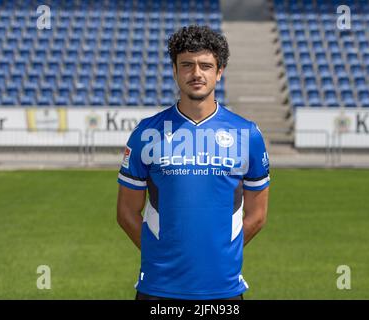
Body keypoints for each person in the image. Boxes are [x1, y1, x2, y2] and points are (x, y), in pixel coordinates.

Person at [116, 25, 270, 300]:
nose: (196, 73)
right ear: (175, 71)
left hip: (223, 290)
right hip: (158, 289)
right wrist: (160, 254)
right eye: (186, 65)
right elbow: (126, 213)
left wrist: (219, 254)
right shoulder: (146, 133)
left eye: (205, 66)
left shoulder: (247, 134)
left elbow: (257, 216)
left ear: (219, 72)